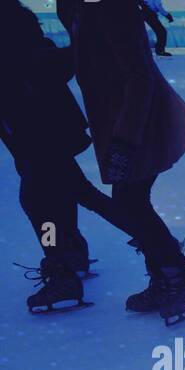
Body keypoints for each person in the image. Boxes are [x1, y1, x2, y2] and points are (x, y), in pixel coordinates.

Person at [63, 0, 185, 324]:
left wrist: (125, 142)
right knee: (132, 202)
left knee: (131, 203)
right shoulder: (86, 7)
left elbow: (139, 75)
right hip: (121, 122)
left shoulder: (112, 6)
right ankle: (166, 277)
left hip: (137, 123)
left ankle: (181, 279)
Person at [2, 0, 139, 312]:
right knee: (76, 195)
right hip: (38, 138)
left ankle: (63, 270)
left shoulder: (18, 43)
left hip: (37, 139)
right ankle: (147, 243)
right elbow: (58, 63)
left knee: (38, 202)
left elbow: (54, 64)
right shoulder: (24, 36)